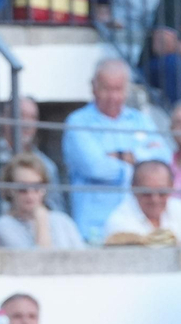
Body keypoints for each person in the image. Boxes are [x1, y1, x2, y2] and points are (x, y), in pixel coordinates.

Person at [63, 58, 173, 244]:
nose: (113, 96)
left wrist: (120, 157)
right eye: (106, 89)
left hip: (138, 227)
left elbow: (163, 159)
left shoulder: (140, 120)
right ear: (93, 87)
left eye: (118, 89)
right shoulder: (77, 122)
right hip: (95, 228)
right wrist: (140, 164)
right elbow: (96, 167)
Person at [0, 154, 86, 249]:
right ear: (10, 190)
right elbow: (39, 261)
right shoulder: (3, 226)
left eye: (36, 187)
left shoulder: (63, 221)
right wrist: (41, 222)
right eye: (22, 188)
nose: (30, 194)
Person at [102, 160, 181, 246]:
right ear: (134, 188)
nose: (155, 199)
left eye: (162, 192)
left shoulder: (177, 206)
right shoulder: (119, 220)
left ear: (171, 187)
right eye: (147, 193)